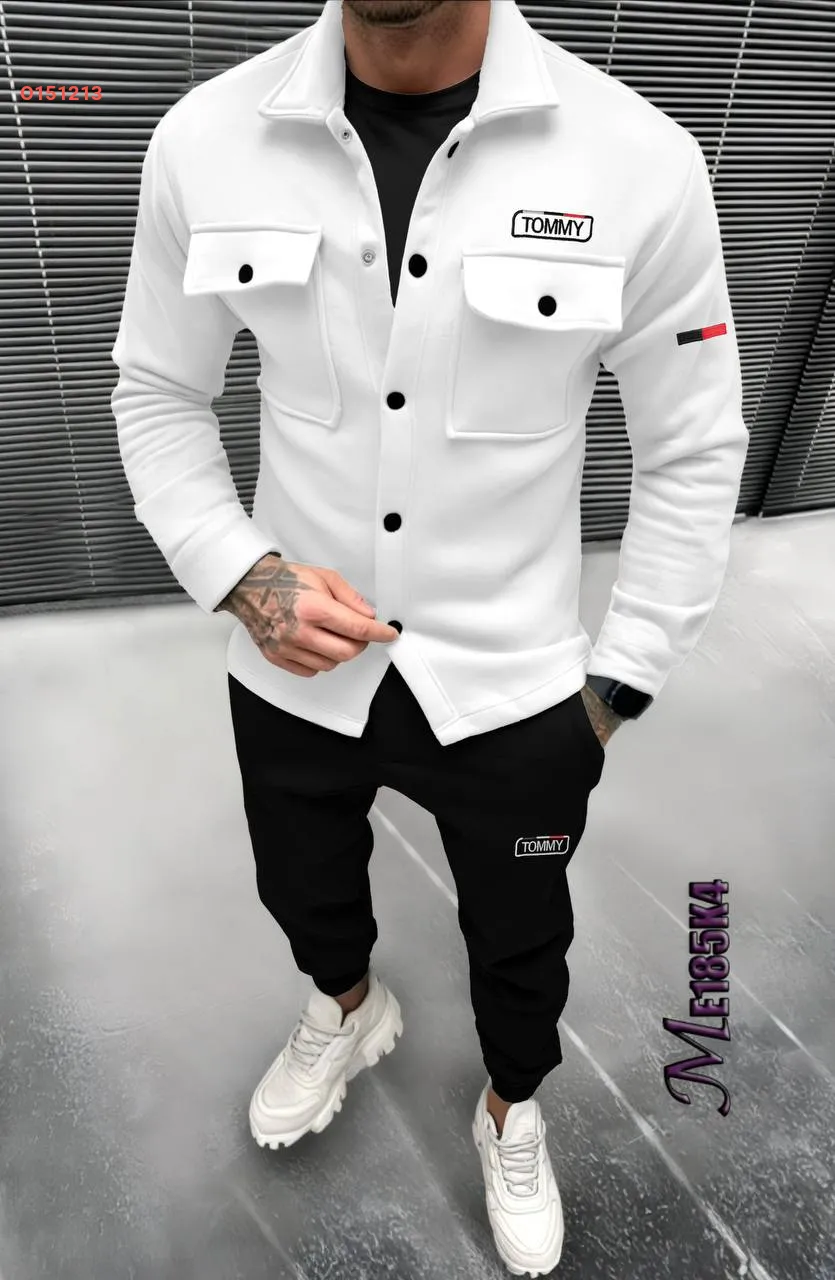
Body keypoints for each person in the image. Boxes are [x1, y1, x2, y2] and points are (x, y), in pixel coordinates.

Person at [110, 0, 748, 1272]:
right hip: (292, 668)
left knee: (521, 937)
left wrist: (616, 684)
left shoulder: (638, 158)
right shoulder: (205, 138)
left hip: (516, 686)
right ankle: (346, 1008)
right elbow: (158, 389)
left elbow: (690, 447)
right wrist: (242, 576)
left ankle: (512, 1106)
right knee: (303, 890)